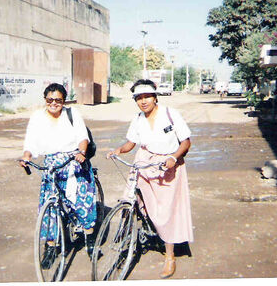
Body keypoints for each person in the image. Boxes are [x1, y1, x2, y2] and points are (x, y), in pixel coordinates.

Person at [107, 79, 193, 279]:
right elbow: (131, 143)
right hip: (144, 161)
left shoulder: (171, 114)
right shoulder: (138, 119)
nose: (143, 101)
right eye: (139, 98)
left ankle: (170, 255)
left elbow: (186, 142)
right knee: (129, 198)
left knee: (165, 212)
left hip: (167, 165)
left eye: (146, 97)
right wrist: (118, 150)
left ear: (155, 97)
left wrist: (173, 157)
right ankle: (128, 237)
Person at [19, 83, 97, 265]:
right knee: (49, 206)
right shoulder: (37, 117)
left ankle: (90, 238)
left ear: (64, 101)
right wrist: (26, 156)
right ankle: (51, 247)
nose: (54, 103)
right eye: (50, 100)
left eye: (58, 100)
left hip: (74, 161)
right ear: (45, 99)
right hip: (51, 165)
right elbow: (30, 141)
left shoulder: (72, 114)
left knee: (81, 202)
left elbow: (82, 137)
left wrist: (81, 152)